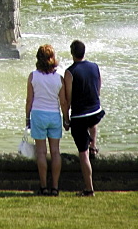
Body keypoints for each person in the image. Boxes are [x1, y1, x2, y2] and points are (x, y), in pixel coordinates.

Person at [63, 39, 105, 196]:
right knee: (93, 122)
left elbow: (67, 98)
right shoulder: (94, 66)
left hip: (80, 115)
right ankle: (93, 145)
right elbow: (98, 87)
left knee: (83, 153)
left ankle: (89, 188)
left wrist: (66, 120)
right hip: (95, 110)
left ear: (72, 53)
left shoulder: (70, 72)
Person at [25, 43, 66, 196]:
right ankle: (55, 187)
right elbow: (63, 102)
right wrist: (66, 119)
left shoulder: (33, 76)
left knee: (41, 153)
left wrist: (27, 118)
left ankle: (43, 186)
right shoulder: (59, 78)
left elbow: (29, 100)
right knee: (55, 152)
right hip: (54, 116)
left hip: (38, 115)